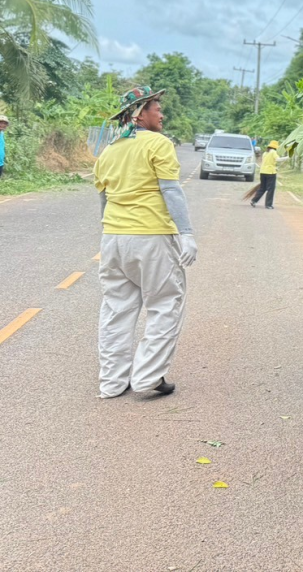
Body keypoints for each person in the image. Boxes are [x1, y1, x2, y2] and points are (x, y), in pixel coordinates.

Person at [93, 86, 197, 398]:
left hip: (113, 239)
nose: (161, 114)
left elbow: (104, 199)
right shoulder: (158, 144)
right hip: (151, 239)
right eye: (156, 108)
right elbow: (171, 190)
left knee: (116, 309)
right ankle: (148, 377)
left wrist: (110, 233)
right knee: (165, 304)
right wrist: (187, 234)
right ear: (140, 113)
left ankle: (112, 383)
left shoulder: (109, 150)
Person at [250, 139, 279, 209]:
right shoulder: (273, 152)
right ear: (275, 147)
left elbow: (267, 162)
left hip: (262, 172)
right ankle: (268, 204)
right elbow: (278, 159)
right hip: (270, 173)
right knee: (270, 188)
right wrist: (287, 158)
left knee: (262, 188)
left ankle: (254, 200)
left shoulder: (265, 153)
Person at [0, 113, 8, 179]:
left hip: (1, 163)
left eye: (4, 123)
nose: (2, 125)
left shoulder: (2, 133)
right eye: (0, 122)